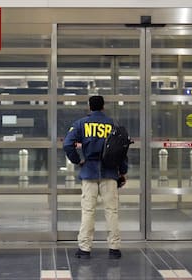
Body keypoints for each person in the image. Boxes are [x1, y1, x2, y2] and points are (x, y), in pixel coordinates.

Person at [63, 95, 127, 260]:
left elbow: (67, 144)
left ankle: (85, 248)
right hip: (110, 173)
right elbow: (122, 149)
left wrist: (78, 160)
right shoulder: (112, 124)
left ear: (89, 107)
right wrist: (122, 171)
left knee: (88, 211)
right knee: (111, 211)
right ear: (103, 107)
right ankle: (114, 248)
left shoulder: (81, 124)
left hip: (89, 172)